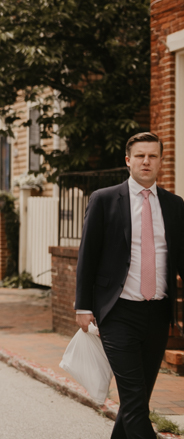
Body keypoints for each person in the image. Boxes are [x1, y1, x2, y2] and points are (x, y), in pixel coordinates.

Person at [76, 132, 184, 439]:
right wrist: (82, 306)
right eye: (140, 156)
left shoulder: (175, 206)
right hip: (118, 313)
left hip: (159, 314)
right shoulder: (105, 199)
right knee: (136, 402)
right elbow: (88, 256)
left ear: (162, 161)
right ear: (128, 161)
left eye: (152, 156)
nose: (146, 161)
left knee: (135, 401)